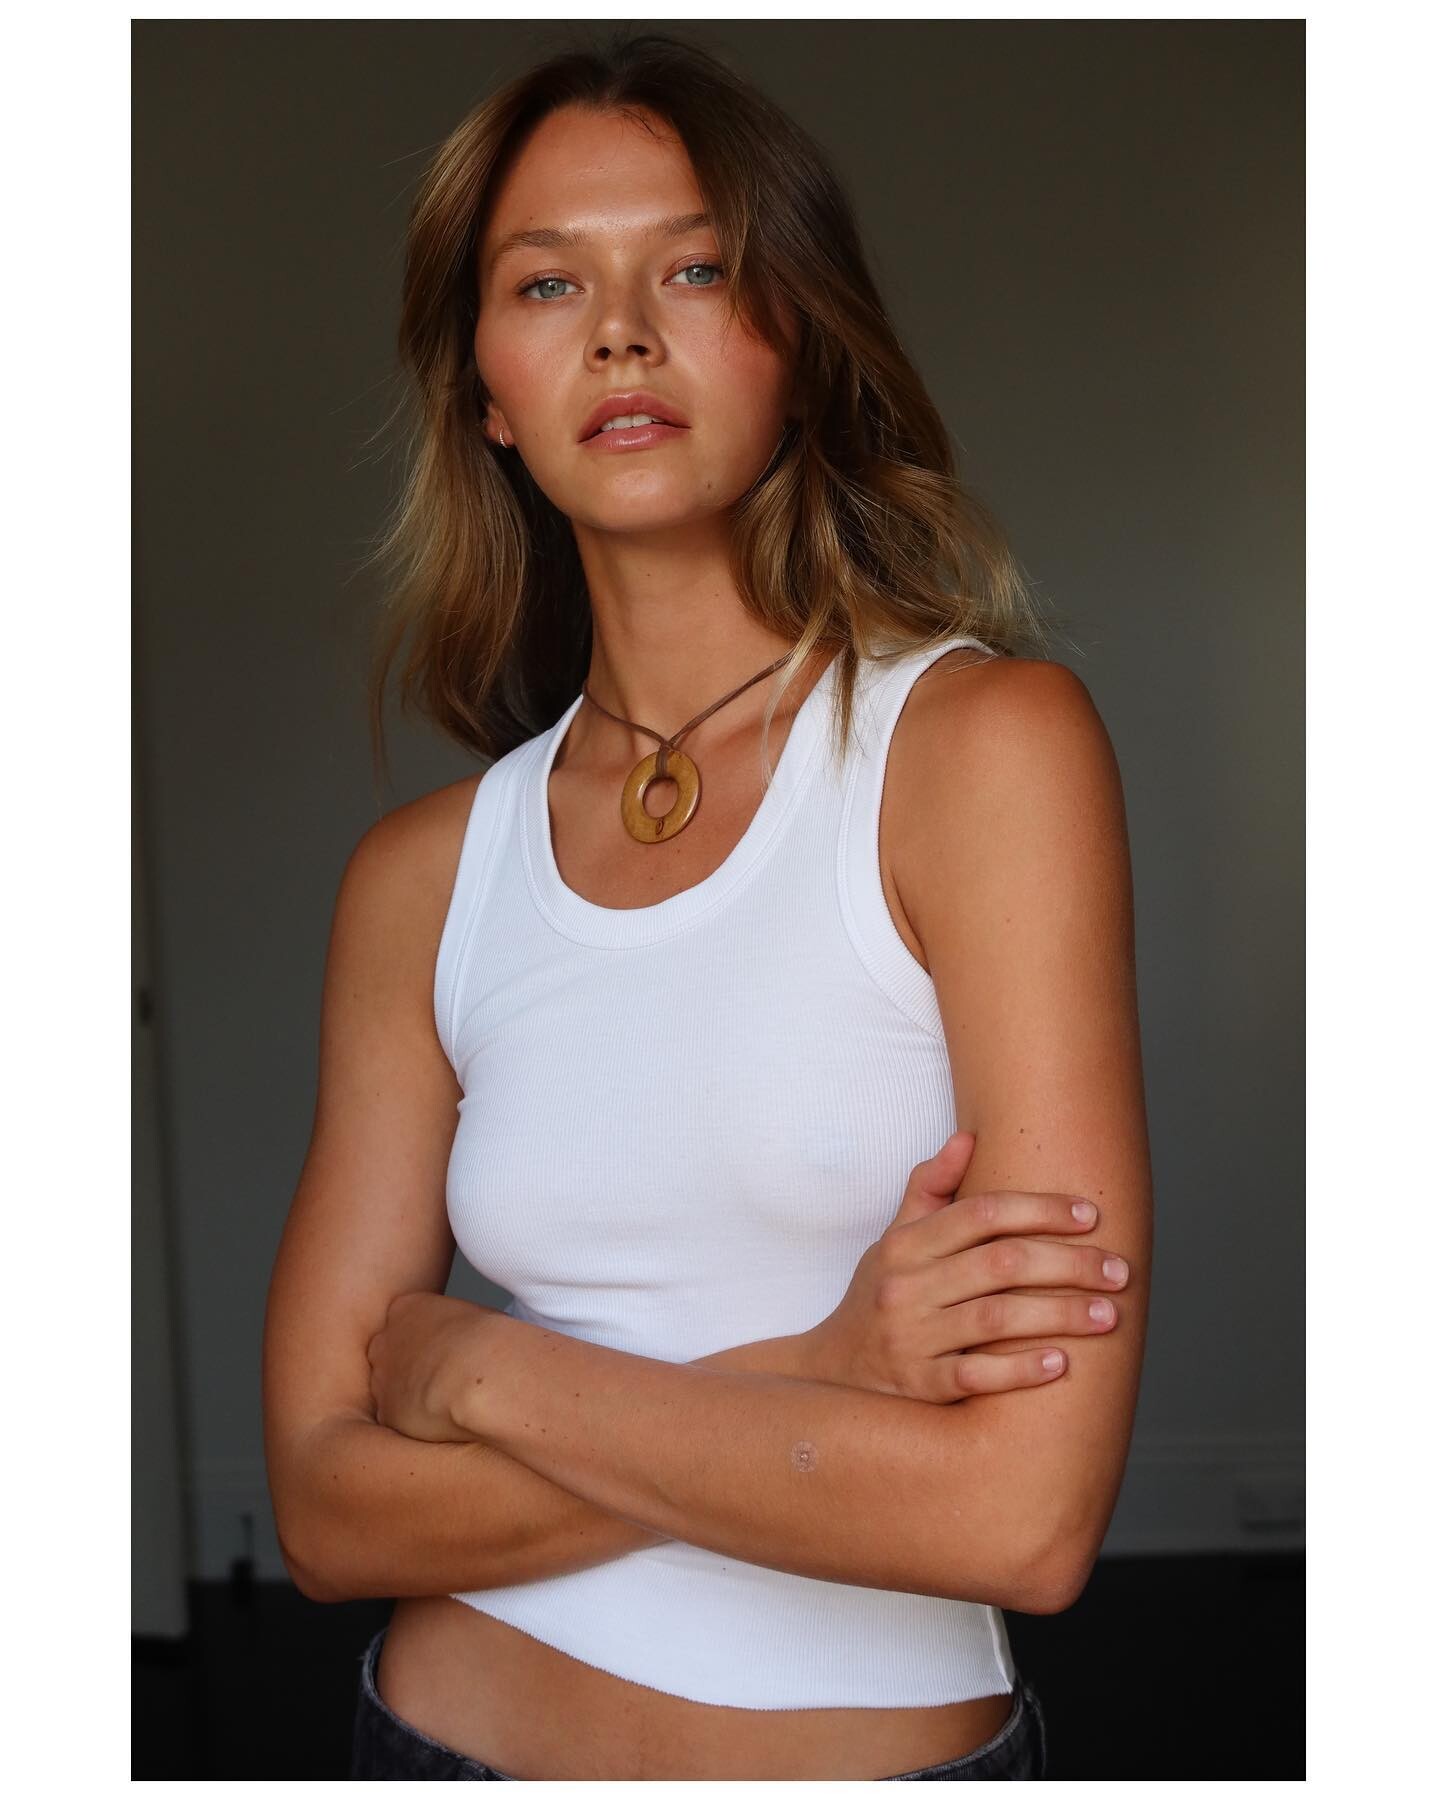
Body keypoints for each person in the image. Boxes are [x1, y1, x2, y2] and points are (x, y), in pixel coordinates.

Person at [261, 30, 1151, 1783]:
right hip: (435, 1742)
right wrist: (826, 1364)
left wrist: (481, 1375)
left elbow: (1021, 1519)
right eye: (546, 282)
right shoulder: (422, 881)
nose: (619, 331)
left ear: (799, 342)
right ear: (487, 394)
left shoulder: (983, 754)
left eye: (694, 268)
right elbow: (324, 1509)